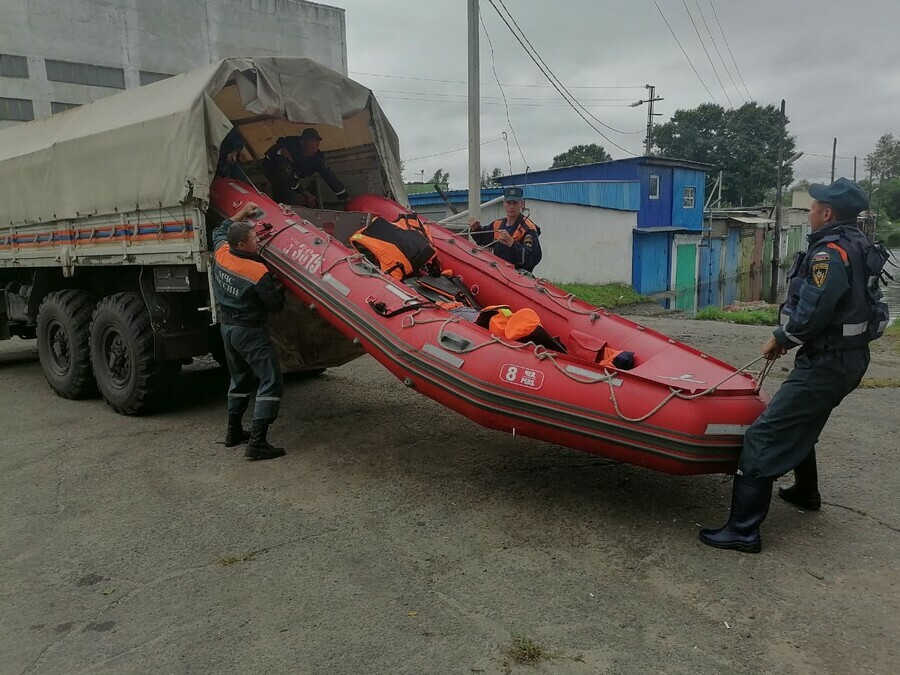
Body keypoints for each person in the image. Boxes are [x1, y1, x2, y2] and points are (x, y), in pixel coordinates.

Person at [699, 177, 880, 553]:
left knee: (764, 435)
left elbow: (815, 309)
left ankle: (743, 531)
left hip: (828, 361)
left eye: (813, 208)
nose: (810, 212)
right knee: (802, 420)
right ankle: (805, 492)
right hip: (849, 357)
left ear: (827, 213)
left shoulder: (828, 254)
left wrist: (782, 338)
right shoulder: (858, 244)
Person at [212, 201, 287, 461]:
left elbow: (220, 230)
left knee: (239, 378)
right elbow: (275, 305)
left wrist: (241, 214)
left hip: (228, 329)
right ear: (242, 245)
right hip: (249, 332)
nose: (257, 240)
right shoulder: (256, 271)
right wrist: (282, 285)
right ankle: (257, 443)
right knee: (270, 379)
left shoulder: (222, 252)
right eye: (254, 238)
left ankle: (233, 432)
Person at [262, 127, 348, 207]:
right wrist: (306, 194)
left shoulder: (317, 156)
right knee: (282, 194)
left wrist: (344, 196)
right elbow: (287, 178)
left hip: (295, 175)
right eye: (312, 145)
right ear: (302, 142)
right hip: (273, 171)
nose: (314, 149)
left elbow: (329, 175)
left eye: (317, 146)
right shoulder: (286, 150)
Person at [470, 186, 542, 272]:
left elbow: (531, 258)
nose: (511, 206)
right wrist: (475, 229)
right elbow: (482, 239)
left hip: (518, 277)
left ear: (522, 204)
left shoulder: (528, 229)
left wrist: (512, 243)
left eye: (515, 203)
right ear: (504, 203)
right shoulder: (498, 225)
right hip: (499, 273)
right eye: (509, 203)